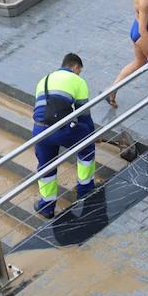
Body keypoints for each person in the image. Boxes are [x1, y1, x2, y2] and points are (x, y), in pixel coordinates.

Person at [31, 53, 97, 219]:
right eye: (79, 71)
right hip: (61, 129)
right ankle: (85, 190)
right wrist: (93, 135)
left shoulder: (43, 80)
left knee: (46, 166)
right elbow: (84, 116)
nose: (79, 74)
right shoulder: (78, 81)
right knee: (86, 146)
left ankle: (46, 206)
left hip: (39, 131)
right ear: (75, 67)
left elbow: (43, 110)